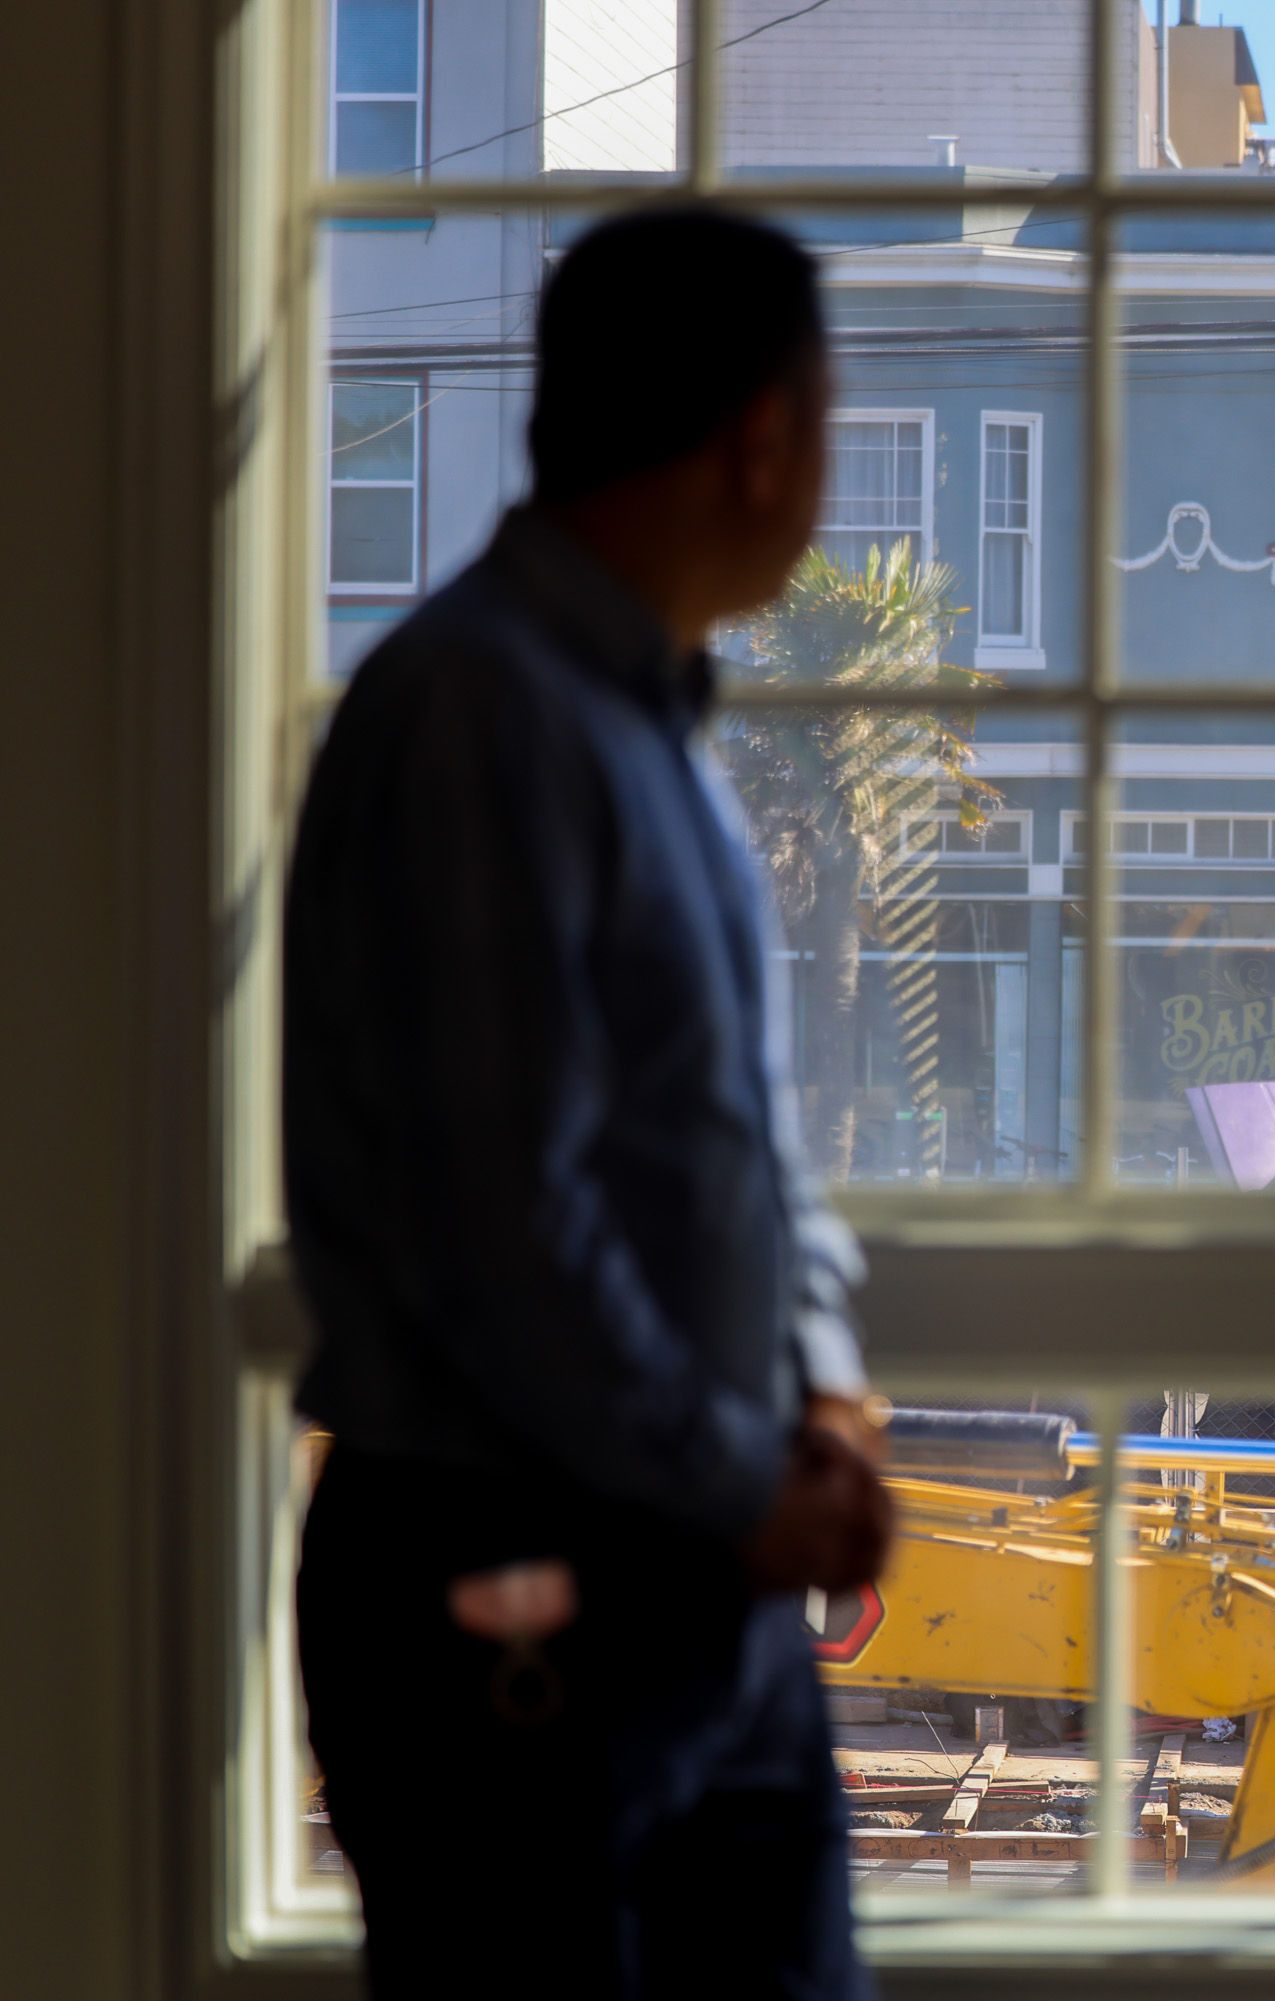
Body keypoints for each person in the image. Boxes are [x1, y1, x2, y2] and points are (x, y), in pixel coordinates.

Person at [284, 208, 892, 1999]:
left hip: (693, 1578)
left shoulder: (639, 725)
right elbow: (501, 1223)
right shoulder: (485, 716)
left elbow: (739, 1142)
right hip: (521, 1607)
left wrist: (830, 1389)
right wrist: (749, 1480)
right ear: (765, 437)